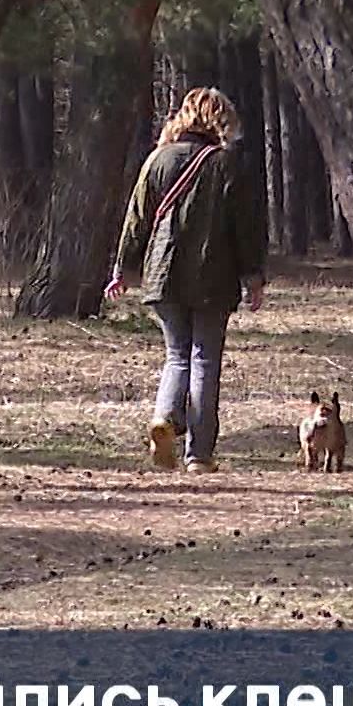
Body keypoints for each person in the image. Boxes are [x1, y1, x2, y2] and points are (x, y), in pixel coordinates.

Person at [105, 88, 267, 475]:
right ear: (219, 121)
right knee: (204, 359)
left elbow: (137, 218)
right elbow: (245, 227)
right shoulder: (227, 165)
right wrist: (253, 276)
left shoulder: (158, 159)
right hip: (214, 277)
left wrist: (122, 270)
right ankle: (199, 454)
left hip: (162, 276)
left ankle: (164, 418)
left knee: (177, 355)